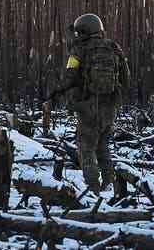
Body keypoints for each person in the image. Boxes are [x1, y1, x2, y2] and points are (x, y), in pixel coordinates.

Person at [52, 13, 129, 194]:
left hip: (88, 108)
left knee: (86, 149)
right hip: (110, 108)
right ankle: (109, 183)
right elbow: (126, 79)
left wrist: (59, 94)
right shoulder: (114, 48)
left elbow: (69, 77)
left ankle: (93, 188)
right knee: (103, 146)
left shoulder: (78, 50)